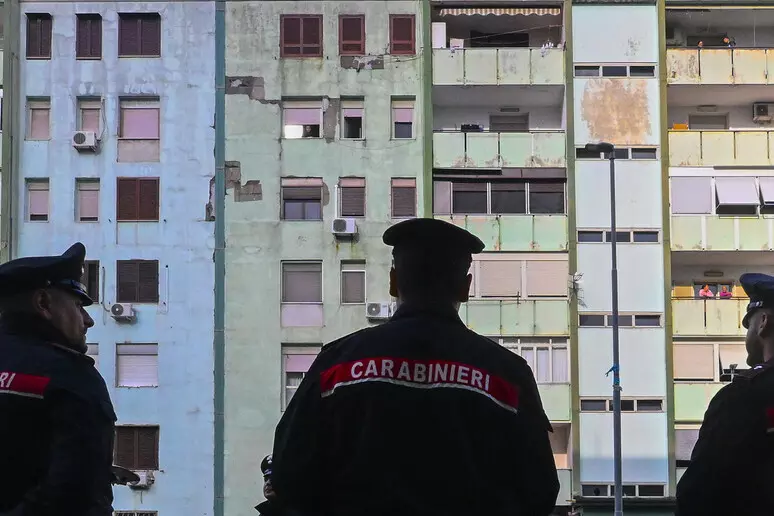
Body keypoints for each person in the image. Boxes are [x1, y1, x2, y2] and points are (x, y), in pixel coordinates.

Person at [271, 218, 559, 516]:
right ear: (465, 287)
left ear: (394, 282)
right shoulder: (508, 375)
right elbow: (539, 491)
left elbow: (288, 473)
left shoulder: (337, 364)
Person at [0, 243, 117, 516]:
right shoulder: (71, 374)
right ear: (43, 303)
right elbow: (72, 492)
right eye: (78, 305)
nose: (88, 321)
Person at [675, 272, 774, 515]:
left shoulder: (744, 396)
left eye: (747, 325)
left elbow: (698, 495)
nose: (746, 335)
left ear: (763, 323)